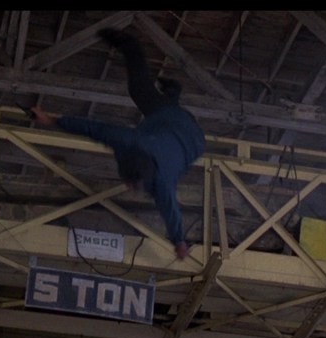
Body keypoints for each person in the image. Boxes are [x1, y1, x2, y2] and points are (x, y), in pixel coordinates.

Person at [30, 28, 206, 260]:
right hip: (179, 127)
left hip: (178, 132)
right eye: (132, 184)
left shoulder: (148, 165)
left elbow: (172, 213)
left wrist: (179, 242)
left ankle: (172, 93)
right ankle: (130, 44)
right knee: (138, 90)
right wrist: (51, 120)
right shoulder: (132, 147)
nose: (130, 188)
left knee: (151, 106)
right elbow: (92, 128)